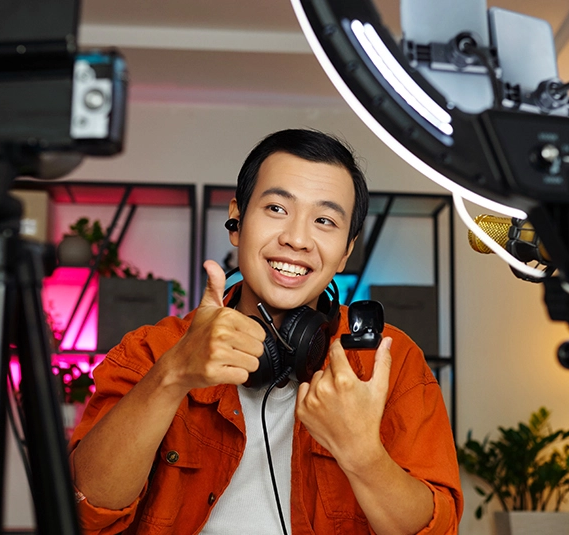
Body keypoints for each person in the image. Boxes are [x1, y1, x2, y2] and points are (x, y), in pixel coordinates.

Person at [69, 129, 463, 534]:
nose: (296, 239)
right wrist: (172, 376)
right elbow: (83, 512)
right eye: (276, 208)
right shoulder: (154, 350)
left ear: (346, 250)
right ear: (237, 221)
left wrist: (362, 455)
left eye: (324, 221)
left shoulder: (388, 361)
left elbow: (438, 530)